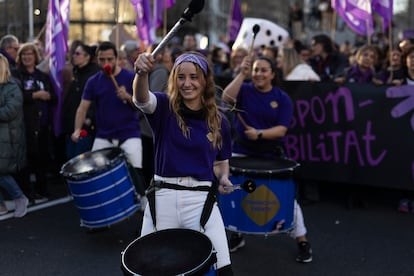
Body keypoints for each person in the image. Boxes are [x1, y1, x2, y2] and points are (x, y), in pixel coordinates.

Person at [133, 51, 235, 275]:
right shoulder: (163, 107)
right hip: (163, 199)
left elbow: (220, 162)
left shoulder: (220, 121)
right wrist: (141, 73)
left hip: (200, 201)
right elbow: (141, 99)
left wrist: (224, 177)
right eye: (181, 77)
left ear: (205, 80)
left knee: (223, 268)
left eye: (194, 77)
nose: (187, 83)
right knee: (149, 268)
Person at [222, 55, 313, 263]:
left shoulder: (282, 98)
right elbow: (226, 98)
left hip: (270, 154)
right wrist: (241, 74)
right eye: (255, 70)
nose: (258, 74)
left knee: (288, 199)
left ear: (272, 74)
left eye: (263, 70)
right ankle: (237, 234)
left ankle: (302, 241)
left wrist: (261, 133)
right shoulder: (244, 89)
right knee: (237, 193)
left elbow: (282, 130)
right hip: (241, 151)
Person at [71, 41, 147, 207]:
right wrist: (77, 129)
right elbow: (82, 108)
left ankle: (143, 202)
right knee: (94, 173)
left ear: (117, 59)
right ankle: (101, 207)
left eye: (110, 59)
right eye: (102, 59)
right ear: (97, 60)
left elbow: (143, 108)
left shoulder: (130, 77)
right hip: (104, 135)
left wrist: (128, 97)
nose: (106, 63)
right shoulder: (93, 81)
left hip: (129, 133)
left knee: (135, 170)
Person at [12, 42, 57, 202]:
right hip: (24, 124)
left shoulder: (43, 76)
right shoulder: (16, 75)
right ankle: (27, 192)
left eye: (30, 54)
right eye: (24, 54)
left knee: (42, 158)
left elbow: (53, 96)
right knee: (27, 160)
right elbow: (15, 97)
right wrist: (35, 95)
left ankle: (42, 189)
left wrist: (48, 96)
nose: (27, 57)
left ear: (35, 57)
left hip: (43, 124)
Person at [0, 54, 29, 217]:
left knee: (2, 172)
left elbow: (10, 111)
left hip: (8, 138)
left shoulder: (12, 87)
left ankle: (19, 197)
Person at [61, 42, 100, 160]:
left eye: (78, 53)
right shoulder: (77, 72)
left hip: (85, 128)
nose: (74, 56)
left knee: (81, 162)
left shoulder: (93, 75)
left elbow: (95, 99)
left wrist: (88, 118)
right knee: (70, 159)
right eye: (74, 53)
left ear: (87, 56)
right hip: (71, 126)